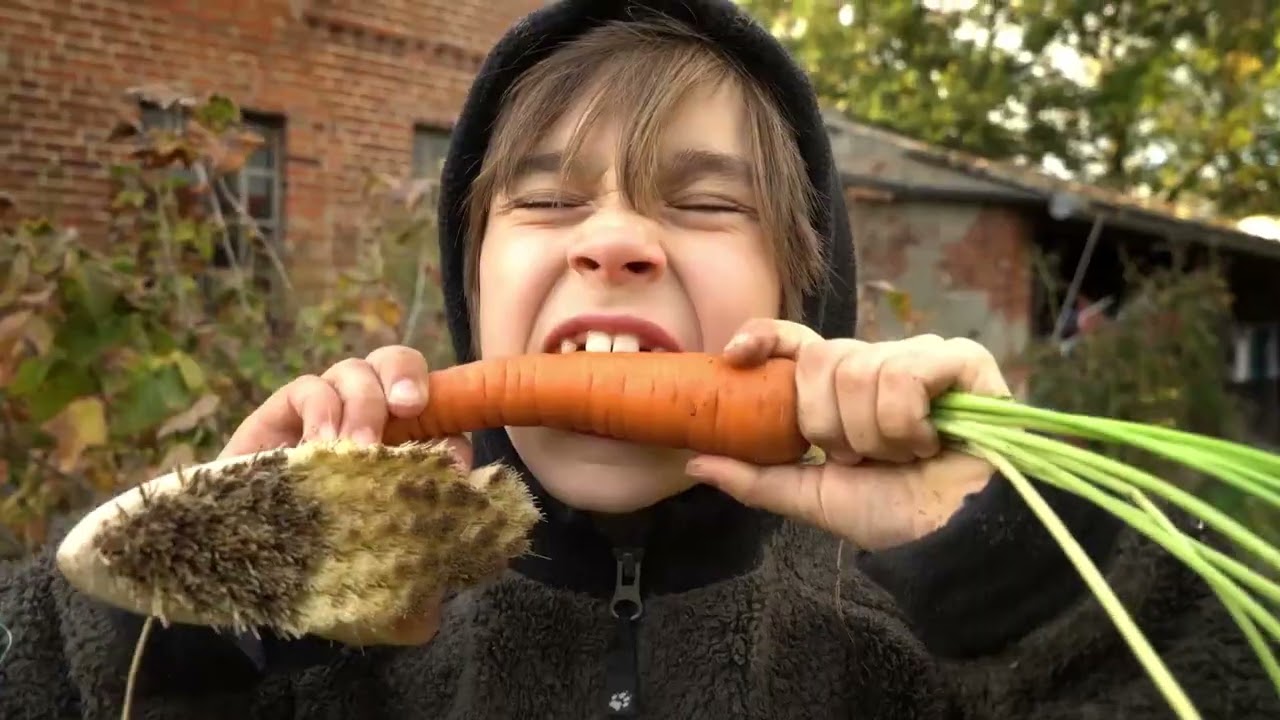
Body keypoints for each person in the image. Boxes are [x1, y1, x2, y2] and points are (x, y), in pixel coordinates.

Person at [1, 1, 1273, 717]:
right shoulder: (348, 656)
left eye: (704, 203)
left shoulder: (904, 644)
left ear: (795, 292)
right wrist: (221, 589)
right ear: (471, 282)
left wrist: (1010, 575)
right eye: (546, 202)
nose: (613, 237)